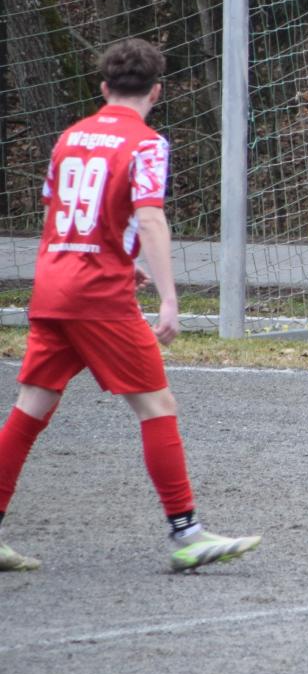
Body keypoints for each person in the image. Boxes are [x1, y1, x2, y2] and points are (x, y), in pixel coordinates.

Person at [0, 38, 259, 575]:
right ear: (156, 91)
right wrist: (168, 295)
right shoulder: (146, 143)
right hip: (98, 295)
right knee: (157, 407)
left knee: (30, 408)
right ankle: (187, 533)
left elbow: (62, 212)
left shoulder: (70, 137)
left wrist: (123, 260)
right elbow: (149, 218)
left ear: (103, 88)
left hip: (52, 286)